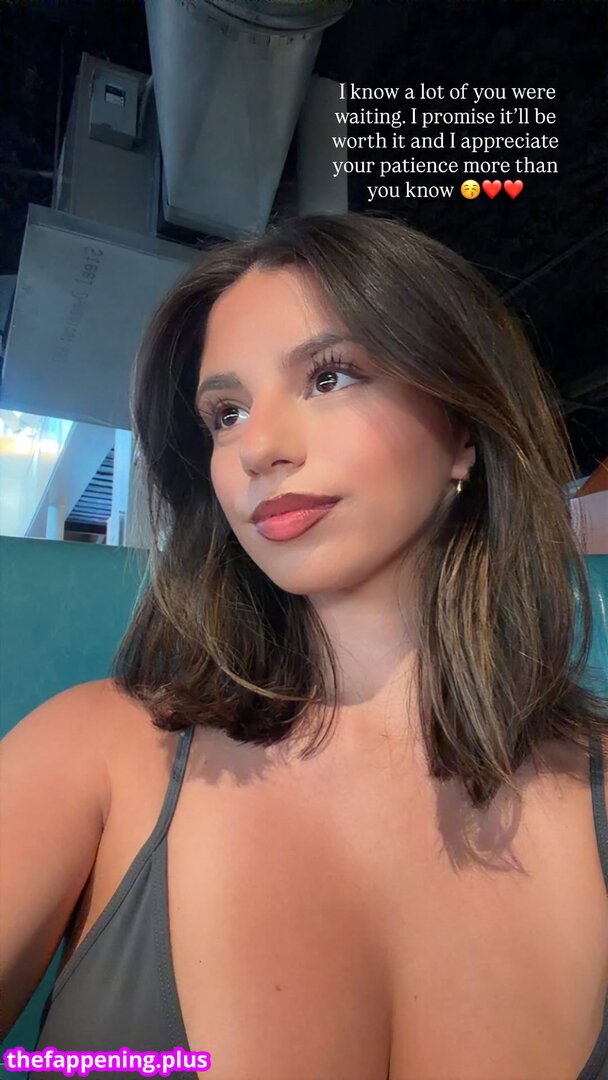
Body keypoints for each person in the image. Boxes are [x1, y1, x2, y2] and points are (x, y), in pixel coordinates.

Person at [2, 211, 607, 1080]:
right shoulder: (90, 754)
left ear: (464, 429)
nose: (258, 449)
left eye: (330, 377)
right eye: (226, 413)